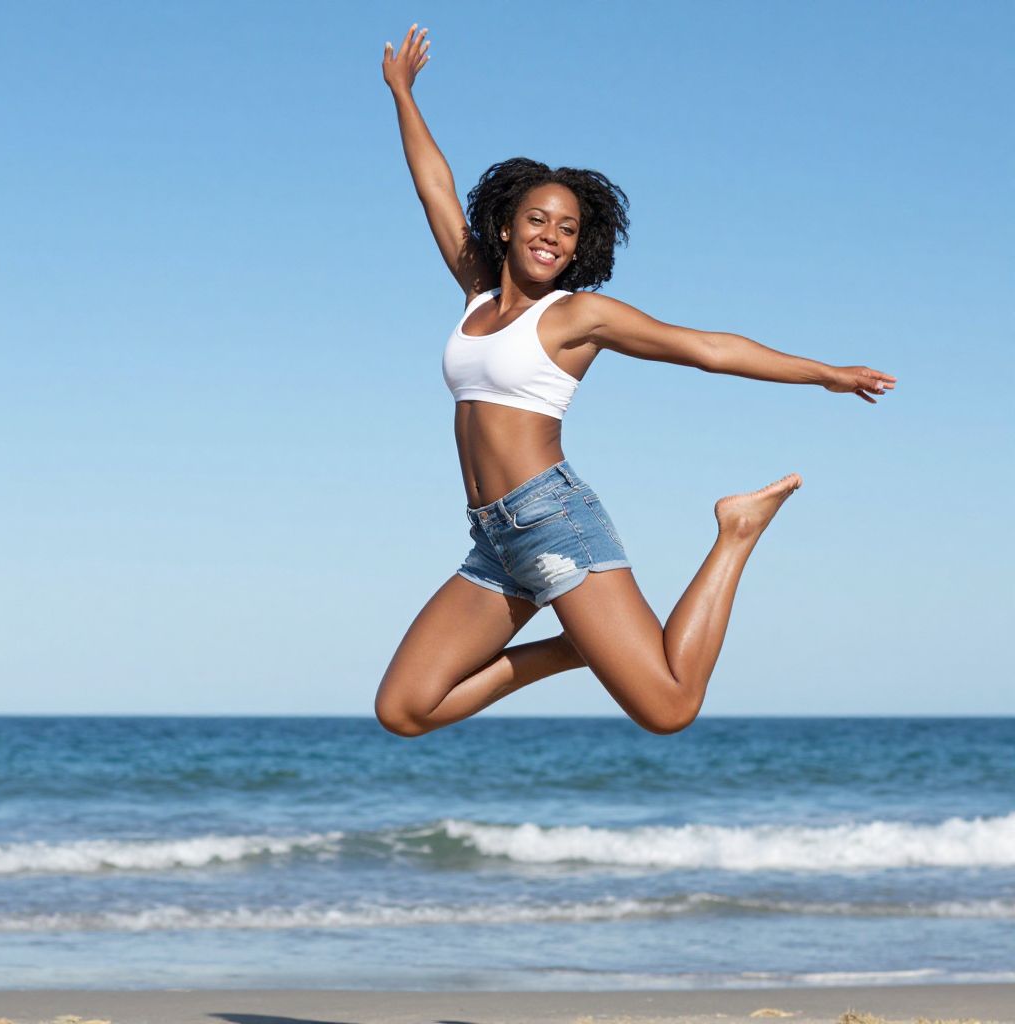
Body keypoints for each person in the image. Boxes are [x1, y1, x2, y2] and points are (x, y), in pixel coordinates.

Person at [374, 24, 896, 738]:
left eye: (566, 228)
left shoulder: (577, 316)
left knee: (670, 707)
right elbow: (435, 186)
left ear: (578, 245)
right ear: (504, 227)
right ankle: (575, 647)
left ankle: (737, 530)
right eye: (537, 219)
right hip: (494, 537)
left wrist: (823, 375)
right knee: (404, 709)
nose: (550, 236)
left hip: (553, 520)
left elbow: (706, 348)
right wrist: (402, 92)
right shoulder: (477, 296)